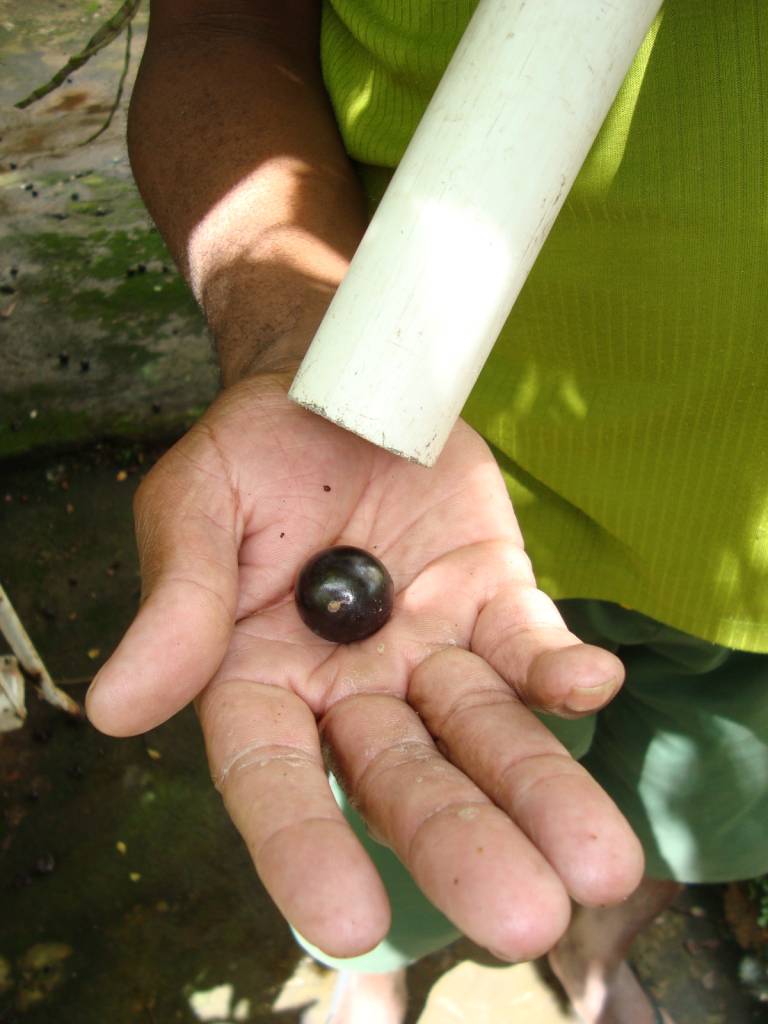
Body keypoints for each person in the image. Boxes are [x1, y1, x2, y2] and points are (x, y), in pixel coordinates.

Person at [85, 2, 768, 1022]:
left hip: (746, 564)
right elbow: (221, 29)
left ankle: (601, 931)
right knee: (390, 802)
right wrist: (289, 342)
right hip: (432, 478)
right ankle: (377, 964)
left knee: (697, 805)